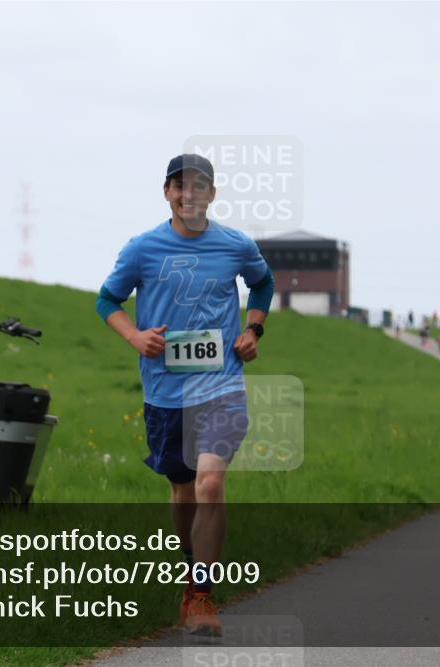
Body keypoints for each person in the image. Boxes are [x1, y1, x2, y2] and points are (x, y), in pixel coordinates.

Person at [95, 154, 274, 637]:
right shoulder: (142, 249)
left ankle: (201, 595)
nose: (188, 195)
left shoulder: (236, 245)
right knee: (181, 489)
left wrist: (253, 330)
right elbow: (106, 300)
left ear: (211, 194)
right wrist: (134, 336)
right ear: (167, 193)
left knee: (210, 484)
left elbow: (263, 283)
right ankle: (190, 568)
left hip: (221, 385)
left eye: (198, 187)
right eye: (179, 187)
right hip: (165, 391)